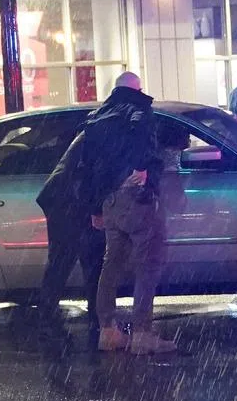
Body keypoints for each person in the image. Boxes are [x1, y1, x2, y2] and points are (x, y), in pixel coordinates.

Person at [89, 72, 176, 355]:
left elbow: (90, 163)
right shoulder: (138, 111)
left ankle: (107, 331)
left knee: (111, 264)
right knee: (148, 263)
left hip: (109, 199)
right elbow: (144, 143)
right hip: (134, 196)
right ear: (137, 89)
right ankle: (142, 333)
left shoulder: (98, 117)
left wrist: (95, 206)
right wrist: (143, 170)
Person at [34, 128, 106, 335]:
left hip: (63, 197)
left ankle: (50, 315)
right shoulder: (103, 135)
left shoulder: (97, 130)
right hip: (68, 200)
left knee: (68, 259)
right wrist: (95, 210)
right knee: (84, 258)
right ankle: (92, 317)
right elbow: (85, 177)